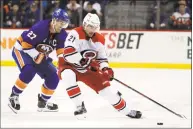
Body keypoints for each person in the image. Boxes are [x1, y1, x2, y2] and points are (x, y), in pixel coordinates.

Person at [58, 13, 142, 119]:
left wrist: (106, 69)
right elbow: (68, 54)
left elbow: (102, 58)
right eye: (90, 26)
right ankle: (80, 107)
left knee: (108, 91)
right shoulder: (75, 33)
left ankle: (127, 111)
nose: (92, 30)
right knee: (68, 76)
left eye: (95, 27)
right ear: (84, 24)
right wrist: (86, 62)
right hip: (69, 65)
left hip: (87, 69)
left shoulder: (100, 39)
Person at [8, 8, 69, 113]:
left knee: (54, 76)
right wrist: (38, 56)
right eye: (61, 23)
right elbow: (25, 45)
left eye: (64, 23)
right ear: (54, 21)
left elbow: (60, 51)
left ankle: (43, 102)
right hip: (22, 50)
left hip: (39, 54)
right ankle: (14, 96)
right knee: (29, 70)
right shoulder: (40, 28)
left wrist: (63, 64)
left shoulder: (62, 34)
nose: (62, 26)